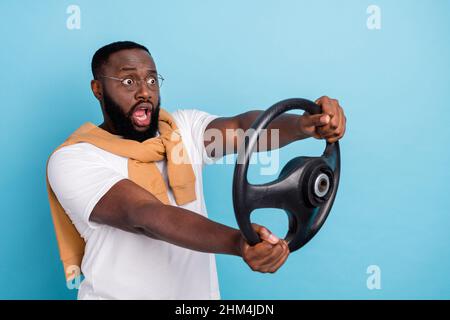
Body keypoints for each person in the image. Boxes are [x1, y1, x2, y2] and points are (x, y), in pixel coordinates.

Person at [46, 41, 346, 300]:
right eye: (128, 82)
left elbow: (245, 129)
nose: (144, 92)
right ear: (98, 89)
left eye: (152, 80)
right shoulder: (74, 158)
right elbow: (145, 215)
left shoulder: (182, 131)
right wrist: (239, 242)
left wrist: (305, 125)